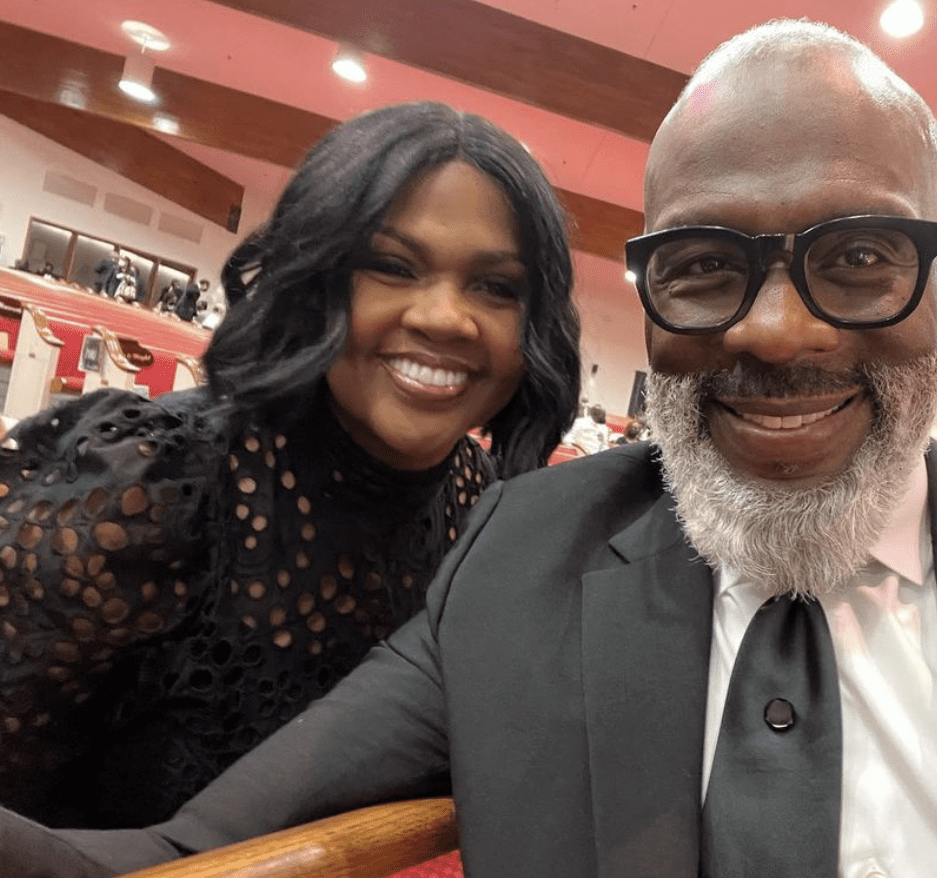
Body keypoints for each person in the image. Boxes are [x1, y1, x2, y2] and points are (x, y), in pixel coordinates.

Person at [4, 19, 937, 878]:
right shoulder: (517, 565)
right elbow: (172, 855)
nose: (772, 329)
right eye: (701, 268)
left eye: (855, 260)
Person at [0, 100, 579, 832]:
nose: (445, 317)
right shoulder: (159, 485)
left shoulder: (492, 520)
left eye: (497, 287)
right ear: (315, 281)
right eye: (391, 267)